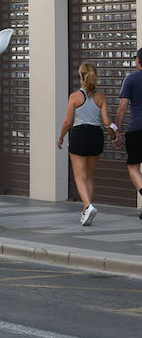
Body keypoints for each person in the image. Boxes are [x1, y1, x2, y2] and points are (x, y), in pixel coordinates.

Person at [59, 61, 114, 226]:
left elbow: (68, 122)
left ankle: (88, 206)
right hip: (96, 135)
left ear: (81, 77)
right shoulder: (101, 97)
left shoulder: (75, 97)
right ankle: (86, 211)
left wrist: (61, 137)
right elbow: (107, 122)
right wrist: (114, 135)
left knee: (79, 176)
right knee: (89, 176)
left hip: (79, 135)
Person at [114, 48, 142, 218]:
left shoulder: (130, 79)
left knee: (133, 166)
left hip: (136, 130)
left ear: (138, 61)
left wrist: (117, 130)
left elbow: (123, 107)